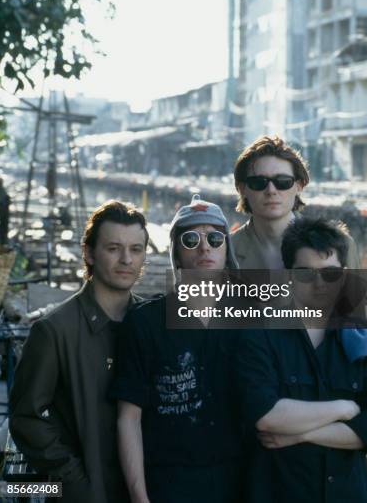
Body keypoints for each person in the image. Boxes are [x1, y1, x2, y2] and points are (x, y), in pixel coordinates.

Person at [236, 217, 367, 503]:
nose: (320, 284)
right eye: (306, 273)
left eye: (330, 273)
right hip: (282, 492)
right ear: (289, 275)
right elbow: (266, 417)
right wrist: (345, 407)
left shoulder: (358, 340)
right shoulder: (261, 335)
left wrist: (297, 435)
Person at [9, 200, 149, 503]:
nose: (126, 259)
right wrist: (73, 479)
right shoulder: (53, 330)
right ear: (89, 252)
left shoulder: (151, 324)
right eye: (113, 248)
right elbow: (25, 418)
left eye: (136, 249)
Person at [112, 194, 244, 503]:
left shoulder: (249, 321)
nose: (204, 247)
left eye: (214, 237)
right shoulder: (145, 323)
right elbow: (128, 418)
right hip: (168, 483)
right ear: (175, 253)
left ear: (226, 248)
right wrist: (139, 497)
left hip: (240, 481)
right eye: (190, 239)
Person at [231, 135, 359, 269]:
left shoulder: (341, 244)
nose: (271, 191)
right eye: (258, 182)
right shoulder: (225, 251)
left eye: (283, 182)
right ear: (242, 189)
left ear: (299, 186)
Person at [0, 177, 10, 244]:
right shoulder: (3, 192)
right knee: (3, 228)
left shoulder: (3, 192)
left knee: (3, 227)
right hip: (3, 214)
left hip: (3, 213)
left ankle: (3, 242)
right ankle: (3, 242)